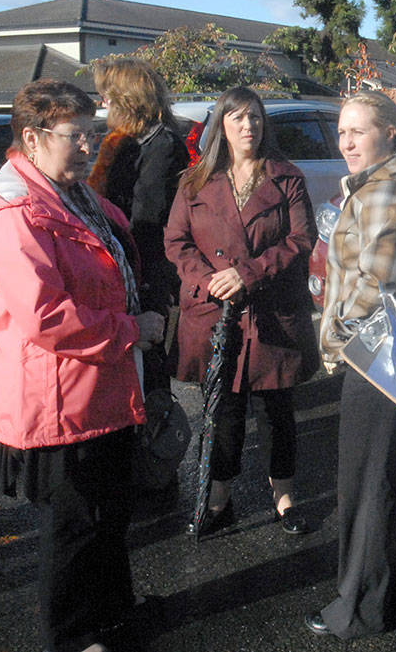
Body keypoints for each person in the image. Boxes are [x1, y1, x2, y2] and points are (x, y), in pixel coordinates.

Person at [0, 79, 166, 652]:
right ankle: (74, 636)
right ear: (32, 138)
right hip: (60, 398)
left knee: (109, 517)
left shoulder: (71, 193)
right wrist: (134, 330)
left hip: (102, 384)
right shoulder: (15, 211)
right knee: (74, 528)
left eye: (92, 132)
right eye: (75, 135)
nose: (88, 146)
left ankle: (113, 613)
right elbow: (45, 316)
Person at [306, 91, 396, 639]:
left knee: (366, 483)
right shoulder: (384, 181)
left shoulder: (386, 186)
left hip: (373, 351)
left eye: (357, 132)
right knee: (387, 476)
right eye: (341, 133)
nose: (345, 143)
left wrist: (339, 333)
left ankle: (359, 609)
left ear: (389, 133)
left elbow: (379, 282)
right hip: (385, 350)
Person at [164, 86, 318, 536]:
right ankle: (219, 500)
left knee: (278, 412)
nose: (248, 126)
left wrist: (247, 274)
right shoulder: (193, 181)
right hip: (216, 313)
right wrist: (210, 279)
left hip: (271, 311)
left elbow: (300, 240)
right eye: (237, 119)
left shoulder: (286, 176)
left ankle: (284, 497)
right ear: (222, 128)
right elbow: (176, 242)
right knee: (224, 411)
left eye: (254, 117)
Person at [88, 57, 190, 394]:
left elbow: (147, 215)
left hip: (144, 266)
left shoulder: (160, 143)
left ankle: (156, 435)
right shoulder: (122, 139)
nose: (103, 103)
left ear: (127, 99)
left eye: (108, 96)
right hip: (118, 262)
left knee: (148, 359)